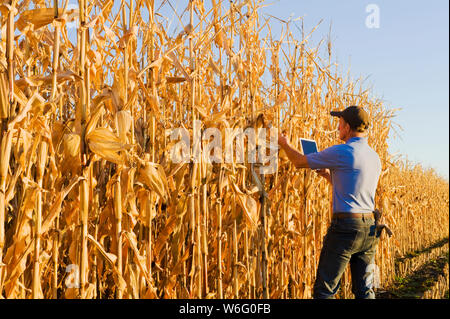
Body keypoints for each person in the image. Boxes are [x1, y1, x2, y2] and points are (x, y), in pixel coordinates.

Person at [277, 105, 382, 299]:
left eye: (340, 125)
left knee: (325, 291)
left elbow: (300, 161)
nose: (338, 128)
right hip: (369, 229)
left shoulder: (342, 151)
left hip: (346, 228)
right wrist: (328, 176)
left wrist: (283, 143)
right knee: (365, 290)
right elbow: (356, 187)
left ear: (348, 127)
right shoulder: (374, 157)